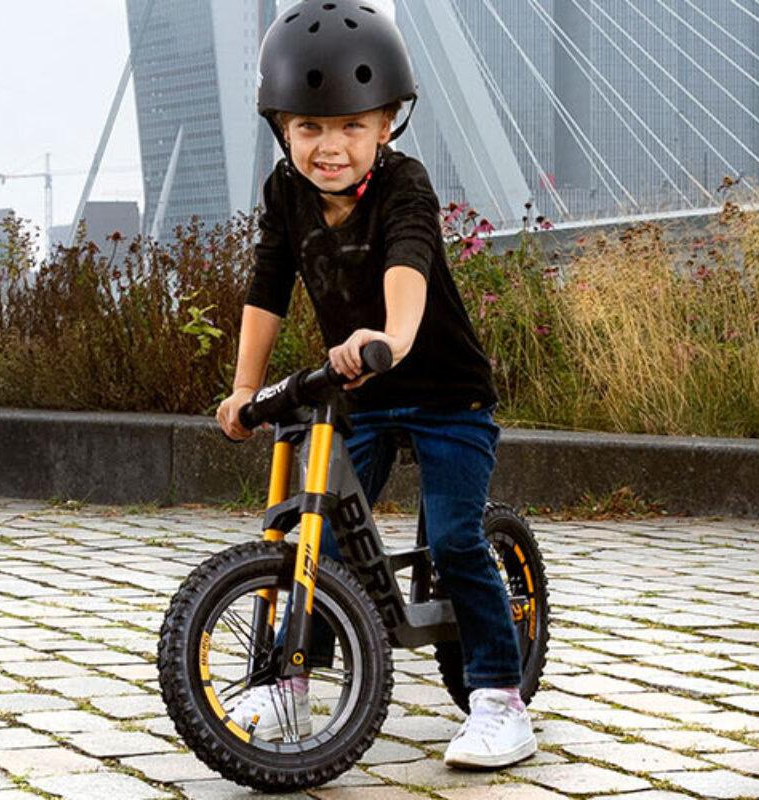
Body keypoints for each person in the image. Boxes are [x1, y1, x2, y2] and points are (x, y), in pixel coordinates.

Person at [213, 0, 535, 769]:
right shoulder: (283, 195)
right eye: (310, 127)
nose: (331, 146)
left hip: (445, 391)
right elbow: (267, 290)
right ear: (282, 129)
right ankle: (289, 680)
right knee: (313, 535)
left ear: (387, 124)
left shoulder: (405, 186)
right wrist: (242, 391)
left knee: (455, 537)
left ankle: (499, 699)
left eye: (352, 125)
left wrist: (389, 337)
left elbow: (408, 268)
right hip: (358, 389)